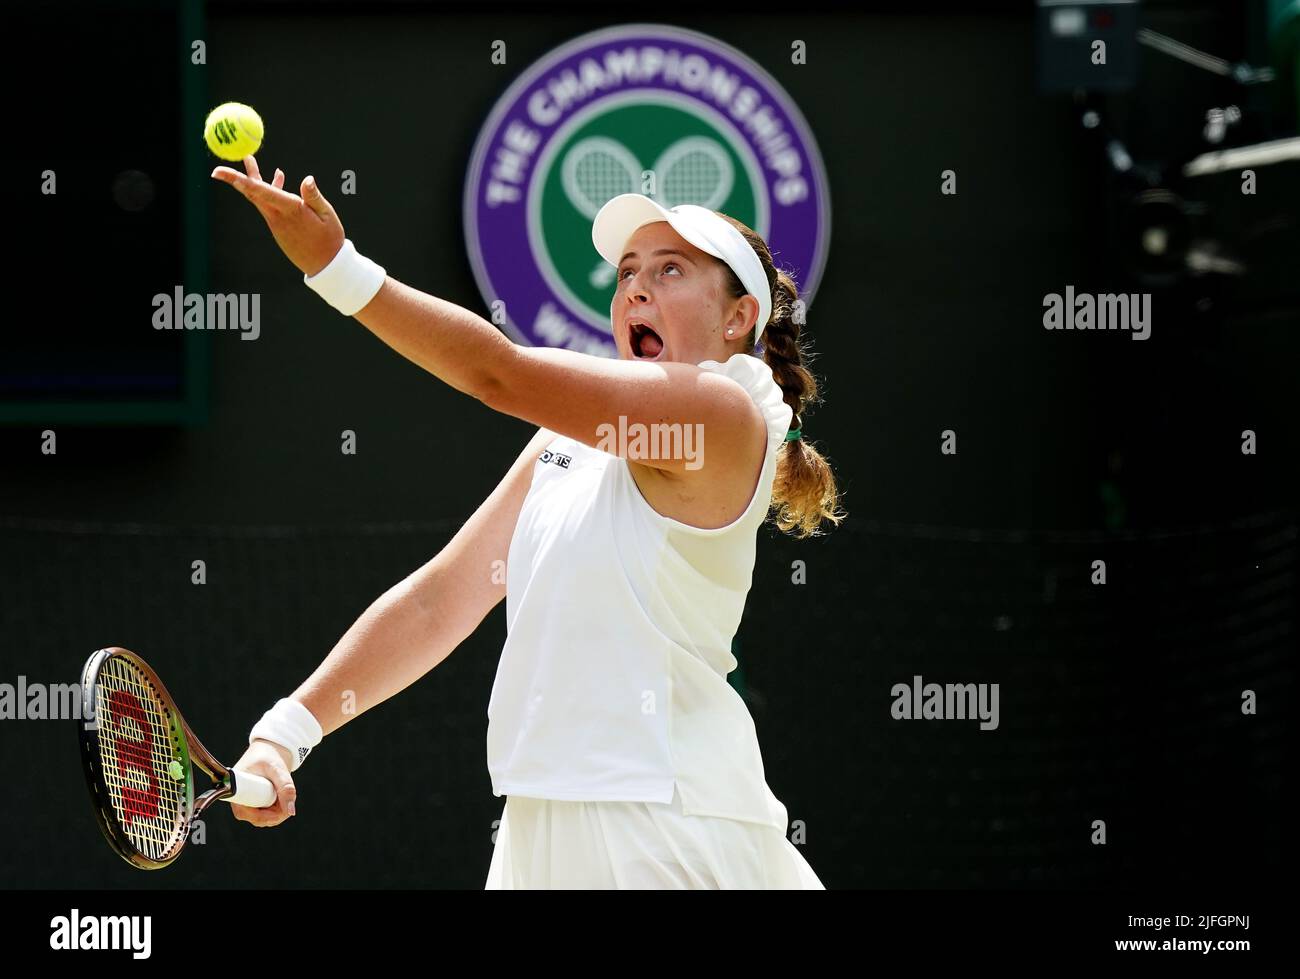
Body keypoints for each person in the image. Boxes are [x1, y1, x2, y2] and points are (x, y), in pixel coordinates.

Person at [211, 156, 846, 888]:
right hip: (538, 824)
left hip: (667, 820)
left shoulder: (722, 414)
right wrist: (285, 734)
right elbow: (440, 599)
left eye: (671, 270)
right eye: (628, 272)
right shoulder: (566, 442)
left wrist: (336, 269)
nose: (636, 285)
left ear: (739, 318)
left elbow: (497, 374)